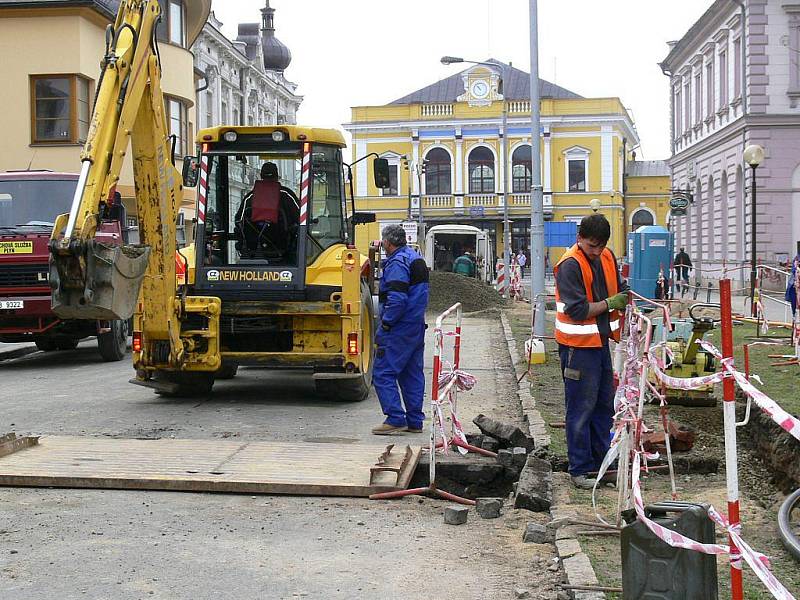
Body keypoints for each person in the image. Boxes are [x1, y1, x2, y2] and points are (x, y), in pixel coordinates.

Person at [554, 214, 628, 489]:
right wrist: (610, 303)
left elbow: (618, 288)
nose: (596, 252)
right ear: (580, 239)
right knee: (580, 408)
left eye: (600, 246)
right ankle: (580, 468)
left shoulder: (607, 257)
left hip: (600, 343)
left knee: (603, 406)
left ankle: (602, 464)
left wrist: (625, 295)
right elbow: (577, 309)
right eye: (591, 246)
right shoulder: (569, 265)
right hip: (577, 348)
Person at [372, 224, 430, 435]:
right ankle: (415, 421)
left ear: (387, 242)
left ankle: (395, 418)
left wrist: (386, 323)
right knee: (411, 374)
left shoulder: (397, 262)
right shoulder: (415, 258)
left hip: (398, 327)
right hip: (415, 325)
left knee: (383, 372)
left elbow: (397, 299)